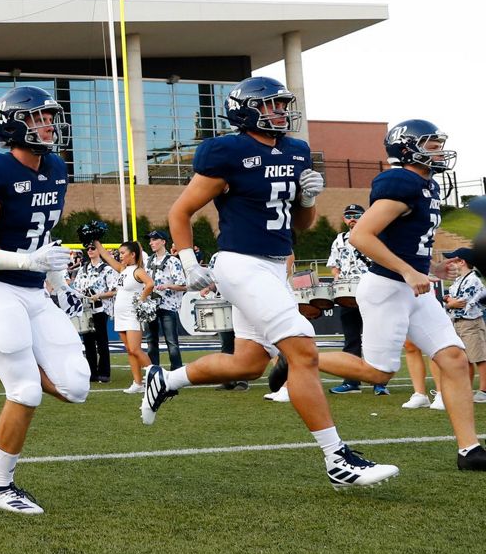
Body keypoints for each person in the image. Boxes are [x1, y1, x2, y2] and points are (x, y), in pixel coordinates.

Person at [148, 76, 398, 489]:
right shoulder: (227, 151)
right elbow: (181, 211)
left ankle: (166, 379)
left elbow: (300, 224)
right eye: (270, 105)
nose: (280, 112)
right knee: (302, 350)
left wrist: (309, 199)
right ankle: (337, 458)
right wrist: (189, 261)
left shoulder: (297, 151)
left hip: (274, 265)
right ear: (246, 110)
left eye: (282, 104)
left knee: (248, 362)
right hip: (240, 263)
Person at [306, 121, 485, 471]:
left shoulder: (427, 184)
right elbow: (362, 236)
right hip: (387, 287)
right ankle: (297, 357)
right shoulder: (401, 180)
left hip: (414, 290)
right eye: (431, 146)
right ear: (407, 149)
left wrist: (431, 268)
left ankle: (470, 450)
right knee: (377, 373)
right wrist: (406, 271)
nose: (438, 151)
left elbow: (410, 241)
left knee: (454, 359)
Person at [0, 86, 88, 514]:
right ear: (13, 125)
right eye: (38, 118)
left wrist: (57, 280)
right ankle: (0, 487)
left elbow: (43, 236)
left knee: (76, 388)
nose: (49, 125)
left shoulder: (55, 168)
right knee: (27, 390)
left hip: (34, 288)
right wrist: (27, 260)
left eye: (50, 117)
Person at [326, 203, 378, 394]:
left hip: (371, 292)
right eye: (348, 215)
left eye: (356, 215)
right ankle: (351, 382)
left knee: (375, 339)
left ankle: (378, 381)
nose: (352, 218)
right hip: (347, 295)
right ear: (344, 219)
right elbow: (334, 265)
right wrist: (337, 275)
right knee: (351, 339)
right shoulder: (339, 239)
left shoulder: (375, 236)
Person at [99, 240, 154, 393]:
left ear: (133, 254)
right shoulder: (123, 269)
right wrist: (96, 241)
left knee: (136, 349)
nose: (120, 255)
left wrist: (141, 299)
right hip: (120, 314)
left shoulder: (138, 271)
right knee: (129, 350)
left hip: (131, 314)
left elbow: (150, 284)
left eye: (123, 253)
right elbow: (106, 256)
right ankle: (138, 383)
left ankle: (156, 378)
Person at [443, 248, 486, 403]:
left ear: (462, 262)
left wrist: (449, 302)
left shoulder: (473, 279)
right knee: (466, 358)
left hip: (471, 323)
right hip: (459, 323)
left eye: (454, 260)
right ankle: (466, 388)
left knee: (479, 357)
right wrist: (449, 301)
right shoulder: (460, 279)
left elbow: (459, 303)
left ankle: (484, 390)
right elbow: (451, 299)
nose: (452, 263)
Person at [71, 243, 114, 383]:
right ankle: (92, 372)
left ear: (99, 251)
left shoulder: (107, 269)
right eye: (88, 249)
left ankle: (104, 372)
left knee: (102, 341)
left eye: (93, 248)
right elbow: (76, 287)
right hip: (86, 310)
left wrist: (99, 296)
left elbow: (114, 290)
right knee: (88, 342)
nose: (89, 251)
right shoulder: (83, 269)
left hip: (100, 309)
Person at [144, 230, 186, 371]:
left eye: (155, 240)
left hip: (168, 306)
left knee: (172, 342)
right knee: (151, 341)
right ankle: (154, 372)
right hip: (150, 306)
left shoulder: (173, 261)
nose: (151, 243)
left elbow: (183, 285)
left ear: (163, 241)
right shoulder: (148, 261)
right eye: (150, 240)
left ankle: (177, 371)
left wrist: (167, 285)